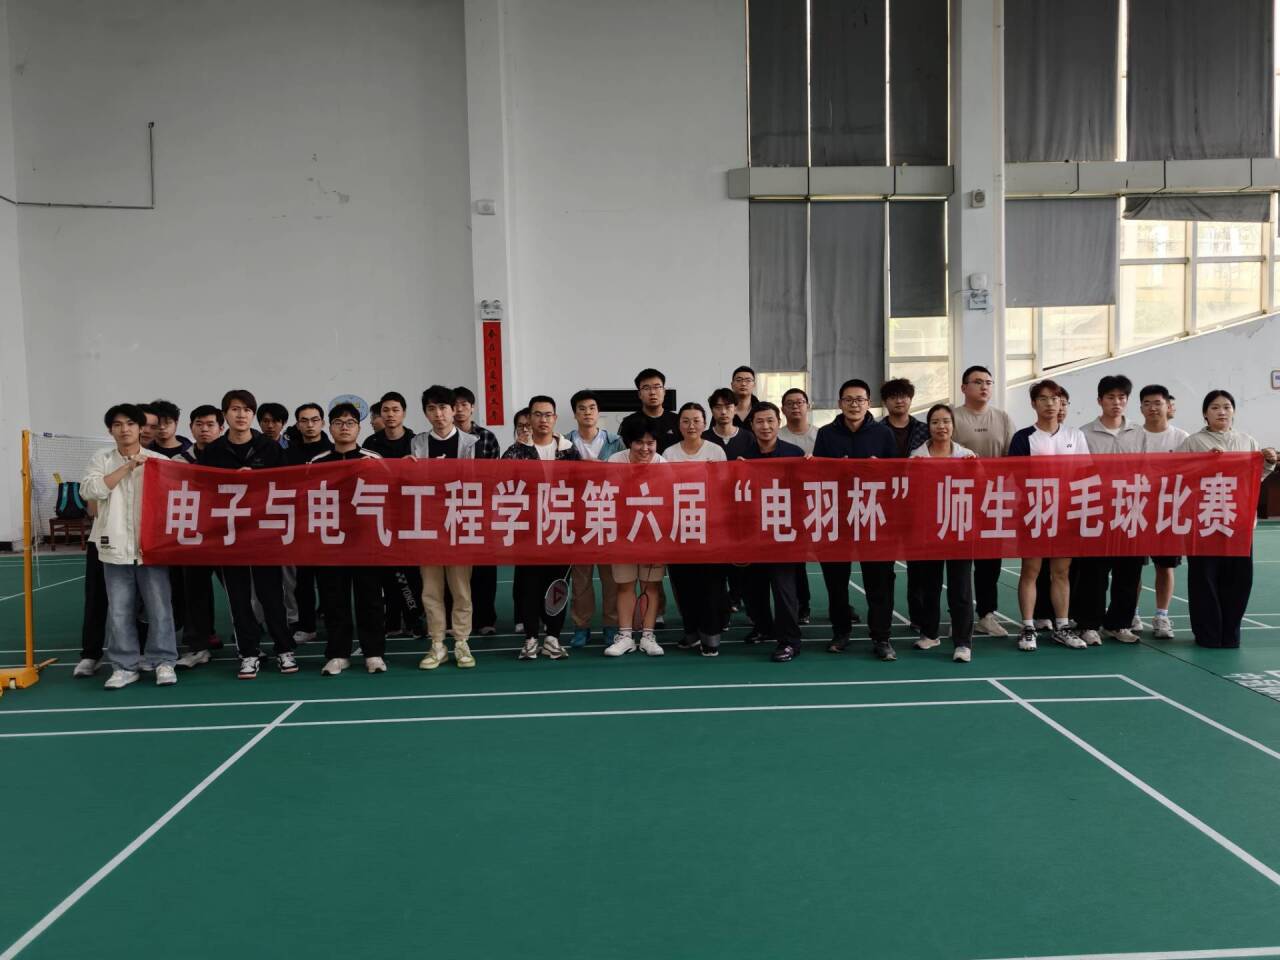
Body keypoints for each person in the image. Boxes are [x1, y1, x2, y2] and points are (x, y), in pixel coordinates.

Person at [199, 389, 298, 679]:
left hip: (264, 533)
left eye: (246, 409)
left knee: (272, 596)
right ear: (225, 415)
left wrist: (256, 483)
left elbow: (286, 486)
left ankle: (284, 649)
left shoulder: (270, 448)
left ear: (252, 414)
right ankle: (248, 653)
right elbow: (202, 489)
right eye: (234, 409)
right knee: (238, 598)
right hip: (229, 535)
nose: (241, 415)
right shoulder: (213, 452)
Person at [80, 404, 177, 689]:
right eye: (118, 424)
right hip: (114, 547)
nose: (125, 429)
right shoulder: (101, 459)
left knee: (159, 608)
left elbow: (183, 491)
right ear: (110, 430)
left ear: (140, 428)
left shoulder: (159, 461)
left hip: (151, 548)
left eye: (130, 424)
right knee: (120, 610)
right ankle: (124, 666)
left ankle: (163, 661)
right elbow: (90, 490)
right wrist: (127, 467)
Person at [1179, 390, 1277, 648]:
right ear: (1205, 413)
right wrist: (1203, 463)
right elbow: (1179, 475)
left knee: (1239, 580)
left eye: (1226, 407)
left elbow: (1255, 478)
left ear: (1233, 411)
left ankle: (1230, 633)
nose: (1221, 412)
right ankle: (1207, 634)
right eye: (1214, 407)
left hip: (1238, 523)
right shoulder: (1193, 442)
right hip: (1205, 522)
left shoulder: (1247, 440)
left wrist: (1268, 462)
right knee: (1204, 580)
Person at [301, 402, 388, 675]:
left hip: (366, 541)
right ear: (330, 428)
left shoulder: (373, 459)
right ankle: (338, 654)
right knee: (333, 599)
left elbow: (391, 493)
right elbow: (305, 499)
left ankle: (373, 652)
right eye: (338, 423)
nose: (344, 428)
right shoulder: (317, 462)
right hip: (330, 543)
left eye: (350, 423)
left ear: (359, 428)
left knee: (370, 599)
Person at [813, 379, 897, 660]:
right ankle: (840, 632)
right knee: (836, 581)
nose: (854, 405)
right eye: (848, 399)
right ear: (840, 403)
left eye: (860, 399)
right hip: (838, 517)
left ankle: (881, 637)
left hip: (874, 517)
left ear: (868, 403)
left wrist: (878, 470)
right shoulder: (826, 434)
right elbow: (819, 476)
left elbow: (896, 476)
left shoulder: (884, 434)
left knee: (879, 582)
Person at [1009, 380, 1088, 651]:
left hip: (1065, 513)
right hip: (1034, 512)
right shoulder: (1023, 438)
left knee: (1061, 572)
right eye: (1043, 399)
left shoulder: (1075, 436)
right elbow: (1016, 477)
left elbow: (1083, 474)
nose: (1050, 404)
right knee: (1031, 570)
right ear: (1034, 404)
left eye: (1054, 398)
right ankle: (1028, 627)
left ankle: (1062, 626)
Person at [502, 395, 582, 660]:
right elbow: (501, 483)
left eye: (548, 415)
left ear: (555, 418)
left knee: (557, 584)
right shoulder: (516, 451)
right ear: (530, 418)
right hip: (527, 530)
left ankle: (553, 637)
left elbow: (580, 487)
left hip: (560, 528)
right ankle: (530, 638)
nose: (543, 420)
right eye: (537, 414)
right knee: (529, 586)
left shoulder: (569, 450)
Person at [408, 386, 478, 669]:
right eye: (431, 409)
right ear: (426, 413)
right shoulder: (417, 444)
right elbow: (411, 483)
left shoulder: (471, 443)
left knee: (461, 588)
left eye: (443, 408)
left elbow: (477, 482)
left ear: (454, 410)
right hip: (428, 525)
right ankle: (437, 643)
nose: (438, 414)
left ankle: (461, 641)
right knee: (431, 588)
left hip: (460, 522)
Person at [1077, 375, 1145, 645]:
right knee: (1094, 572)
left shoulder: (1139, 432)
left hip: (1130, 509)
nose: (1116, 402)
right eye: (1110, 397)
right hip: (1097, 510)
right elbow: (1080, 472)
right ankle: (1089, 623)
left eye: (1121, 398)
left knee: (1129, 571)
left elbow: (1146, 468)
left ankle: (1119, 623)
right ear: (1099, 400)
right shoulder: (1084, 433)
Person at [950, 365, 1016, 639]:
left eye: (988, 382)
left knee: (990, 560)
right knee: (959, 561)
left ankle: (987, 615)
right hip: (959, 498)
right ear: (964, 387)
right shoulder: (953, 417)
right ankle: (958, 616)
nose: (984, 386)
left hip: (993, 497)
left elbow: (1013, 459)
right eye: (977, 382)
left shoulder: (1002, 417)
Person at [908, 404, 976, 662]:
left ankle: (963, 642)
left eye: (946, 421)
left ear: (953, 425)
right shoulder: (917, 456)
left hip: (959, 529)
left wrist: (975, 469)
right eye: (935, 422)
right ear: (929, 426)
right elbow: (909, 492)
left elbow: (980, 489)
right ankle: (930, 633)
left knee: (960, 588)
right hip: (929, 530)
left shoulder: (966, 455)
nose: (941, 426)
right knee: (930, 585)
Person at [741, 403, 806, 662]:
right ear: (752, 425)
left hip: (784, 533)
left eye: (770, 420)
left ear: (778, 423)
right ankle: (763, 627)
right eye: (759, 421)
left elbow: (803, 493)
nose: (765, 426)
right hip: (753, 532)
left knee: (783, 588)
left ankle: (790, 641)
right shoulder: (742, 456)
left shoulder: (794, 453)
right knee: (753, 587)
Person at [665, 402, 727, 655]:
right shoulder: (669, 453)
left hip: (710, 529)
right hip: (679, 529)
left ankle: (711, 636)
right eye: (686, 421)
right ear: (679, 425)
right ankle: (691, 632)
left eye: (696, 420)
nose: (691, 425)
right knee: (683, 584)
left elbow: (724, 488)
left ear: (704, 423)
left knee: (711, 585)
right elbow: (664, 489)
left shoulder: (716, 451)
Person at [603, 419, 669, 657]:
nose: (645, 448)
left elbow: (668, 500)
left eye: (651, 443)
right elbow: (609, 497)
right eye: (639, 442)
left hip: (653, 534)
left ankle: (648, 636)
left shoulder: (663, 464)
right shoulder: (615, 461)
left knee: (651, 586)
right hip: (623, 534)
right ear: (629, 442)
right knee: (625, 585)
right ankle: (625, 636)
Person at [563, 389, 624, 647]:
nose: (587, 413)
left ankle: (611, 625)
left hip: (608, 515)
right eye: (582, 408)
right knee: (581, 578)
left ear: (599, 412)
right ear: (575, 413)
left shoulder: (615, 441)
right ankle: (582, 626)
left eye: (592, 408)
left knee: (611, 577)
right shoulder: (564, 442)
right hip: (578, 518)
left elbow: (624, 475)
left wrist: (596, 469)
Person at [364, 390, 424, 640]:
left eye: (395, 410)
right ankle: (392, 621)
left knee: (412, 571)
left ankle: (414, 619)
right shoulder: (371, 443)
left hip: (410, 514)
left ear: (404, 413)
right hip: (381, 513)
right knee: (387, 572)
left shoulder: (416, 442)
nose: (390, 415)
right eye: (385, 410)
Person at [175, 406, 227, 668]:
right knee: (195, 592)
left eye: (210, 424)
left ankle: (249, 645)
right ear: (191, 428)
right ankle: (198, 646)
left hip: (228, 536)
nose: (205, 429)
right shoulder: (178, 461)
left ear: (221, 428)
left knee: (240, 593)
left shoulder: (231, 457)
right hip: (194, 537)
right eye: (199, 424)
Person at [1138, 385, 1190, 639]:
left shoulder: (1182, 438)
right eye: (1147, 403)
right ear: (1141, 408)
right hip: (1137, 509)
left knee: (1165, 567)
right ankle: (1131, 613)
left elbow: (1192, 472)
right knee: (1132, 567)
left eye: (1157, 403)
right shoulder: (1133, 436)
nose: (1152, 408)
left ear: (1168, 406)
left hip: (1168, 511)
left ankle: (1162, 616)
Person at [453, 385, 501, 637]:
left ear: (472, 408)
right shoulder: (442, 438)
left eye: (464, 404)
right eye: (455, 405)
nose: (459, 409)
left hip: (481, 510)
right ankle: (456, 620)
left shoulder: (487, 437)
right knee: (454, 568)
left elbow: (493, 476)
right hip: (450, 510)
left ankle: (485, 619)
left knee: (484, 568)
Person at [284, 403, 333, 645]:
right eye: (304, 420)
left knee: (329, 580)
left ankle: (333, 623)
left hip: (329, 523)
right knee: (302, 580)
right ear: (298, 424)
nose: (310, 425)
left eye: (315, 420)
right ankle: (306, 626)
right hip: (300, 524)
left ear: (322, 422)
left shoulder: (333, 451)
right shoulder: (288, 455)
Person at [618, 367, 681, 452]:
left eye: (657, 387)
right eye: (646, 388)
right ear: (639, 394)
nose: (652, 392)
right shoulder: (628, 422)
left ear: (664, 391)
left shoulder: (678, 421)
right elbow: (622, 453)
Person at [880, 379, 929, 458]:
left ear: (911, 399)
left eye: (903, 396)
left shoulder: (925, 430)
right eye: (893, 397)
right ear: (884, 402)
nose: (899, 401)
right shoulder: (876, 430)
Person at [704, 387, 755, 460]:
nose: (723, 412)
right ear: (712, 411)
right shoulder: (703, 438)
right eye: (718, 407)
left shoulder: (748, 437)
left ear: (735, 409)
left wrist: (745, 464)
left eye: (728, 407)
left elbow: (755, 464)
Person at [779, 387, 817, 454]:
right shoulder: (776, 437)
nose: (795, 406)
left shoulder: (820, 435)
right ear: (783, 410)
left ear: (808, 407)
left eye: (799, 402)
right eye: (789, 403)